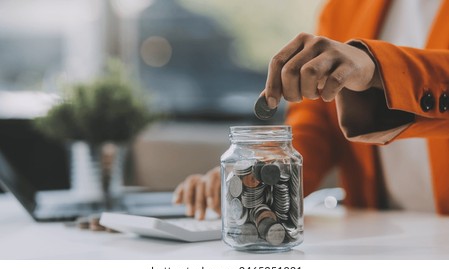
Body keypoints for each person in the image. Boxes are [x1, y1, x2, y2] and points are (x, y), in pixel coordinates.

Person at [173, 0, 449, 220]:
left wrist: (378, 68)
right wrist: (257, 175)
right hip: (379, 239)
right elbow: (319, 126)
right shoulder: (342, 7)